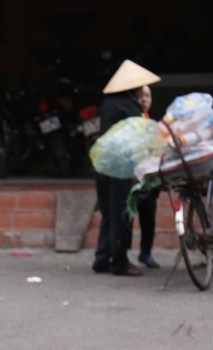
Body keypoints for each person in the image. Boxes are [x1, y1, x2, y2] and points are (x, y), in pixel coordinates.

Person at [92, 59, 161, 276]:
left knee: (108, 213)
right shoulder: (129, 106)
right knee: (122, 213)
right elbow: (136, 139)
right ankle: (119, 262)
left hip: (103, 167)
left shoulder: (109, 103)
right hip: (121, 168)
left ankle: (102, 258)